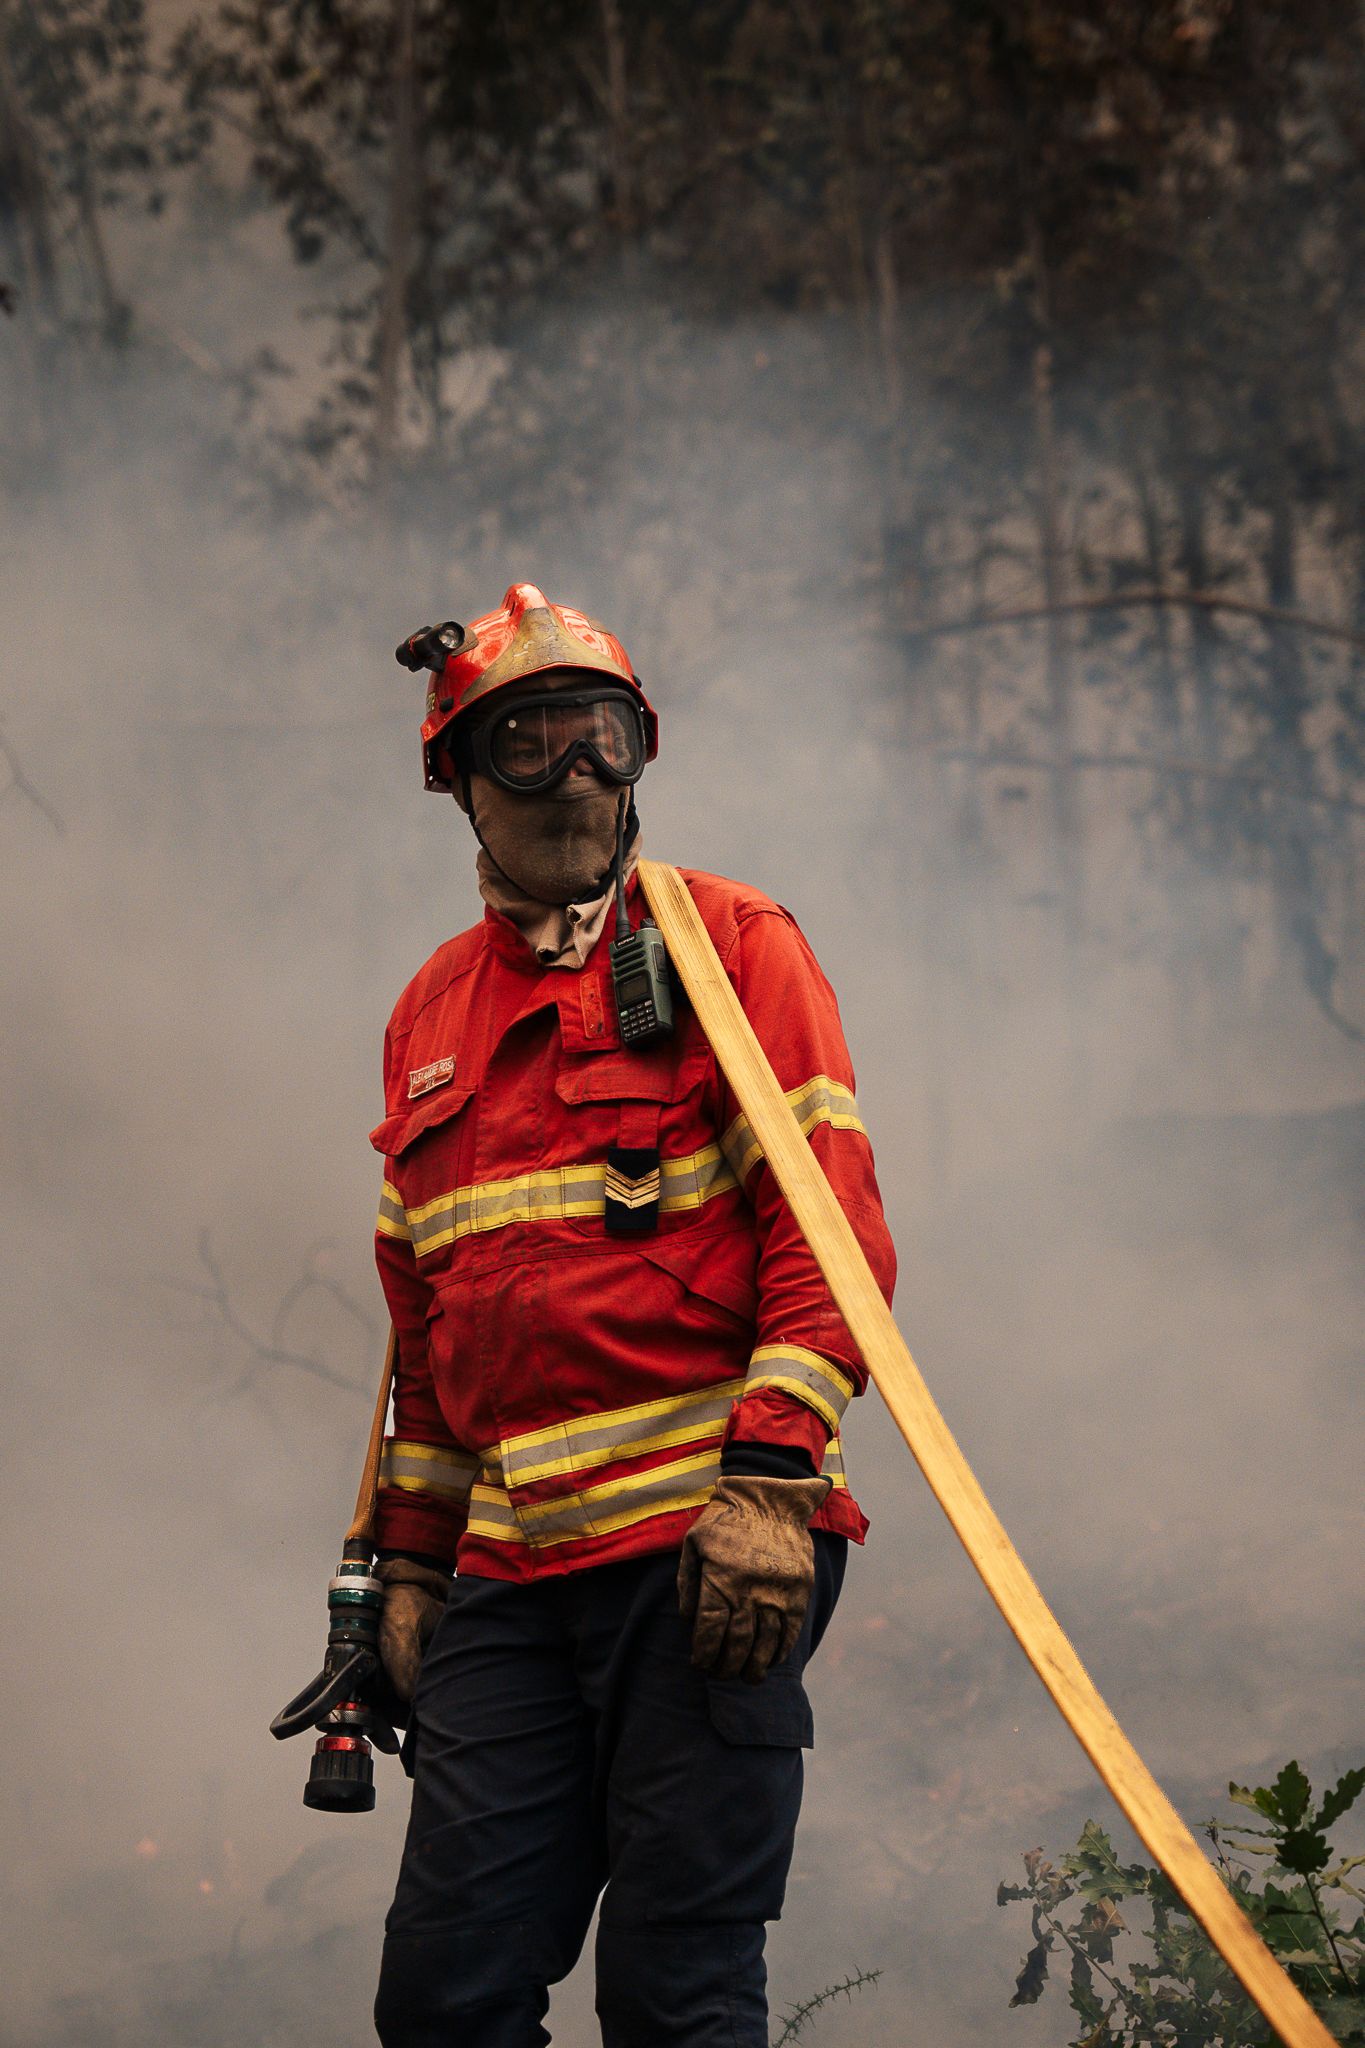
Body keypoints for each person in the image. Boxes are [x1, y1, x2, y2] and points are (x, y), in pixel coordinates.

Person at [369, 582, 896, 2047]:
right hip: (511, 1573)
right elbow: (427, 1334)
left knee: (676, 1998)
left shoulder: (734, 944)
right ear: (459, 781)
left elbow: (827, 1231)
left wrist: (775, 1482)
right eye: (528, 742)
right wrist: (405, 1569)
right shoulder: (427, 1016)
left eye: (602, 735)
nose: (576, 773)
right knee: (443, 1998)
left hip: (703, 1548)